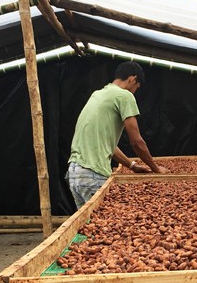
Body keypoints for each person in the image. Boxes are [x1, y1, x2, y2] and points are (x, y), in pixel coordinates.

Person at [67, 61, 168, 209]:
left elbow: (108, 145)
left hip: (75, 174)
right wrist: (155, 168)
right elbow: (136, 141)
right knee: (104, 225)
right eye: (136, 88)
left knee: (87, 227)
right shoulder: (124, 96)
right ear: (132, 79)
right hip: (93, 173)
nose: (134, 92)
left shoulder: (98, 94)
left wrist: (132, 165)